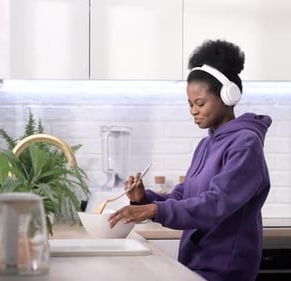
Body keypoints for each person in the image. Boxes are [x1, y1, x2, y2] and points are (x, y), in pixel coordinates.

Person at [108, 39, 272, 281]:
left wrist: (154, 210)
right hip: (197, 263)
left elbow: (216, 204)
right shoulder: (207, 144)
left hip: (225, 269)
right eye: (190, 104)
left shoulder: (245, 144)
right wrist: (145, 199)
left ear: (228, 97)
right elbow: (185, 195)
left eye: (200, 103)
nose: (193, 111)